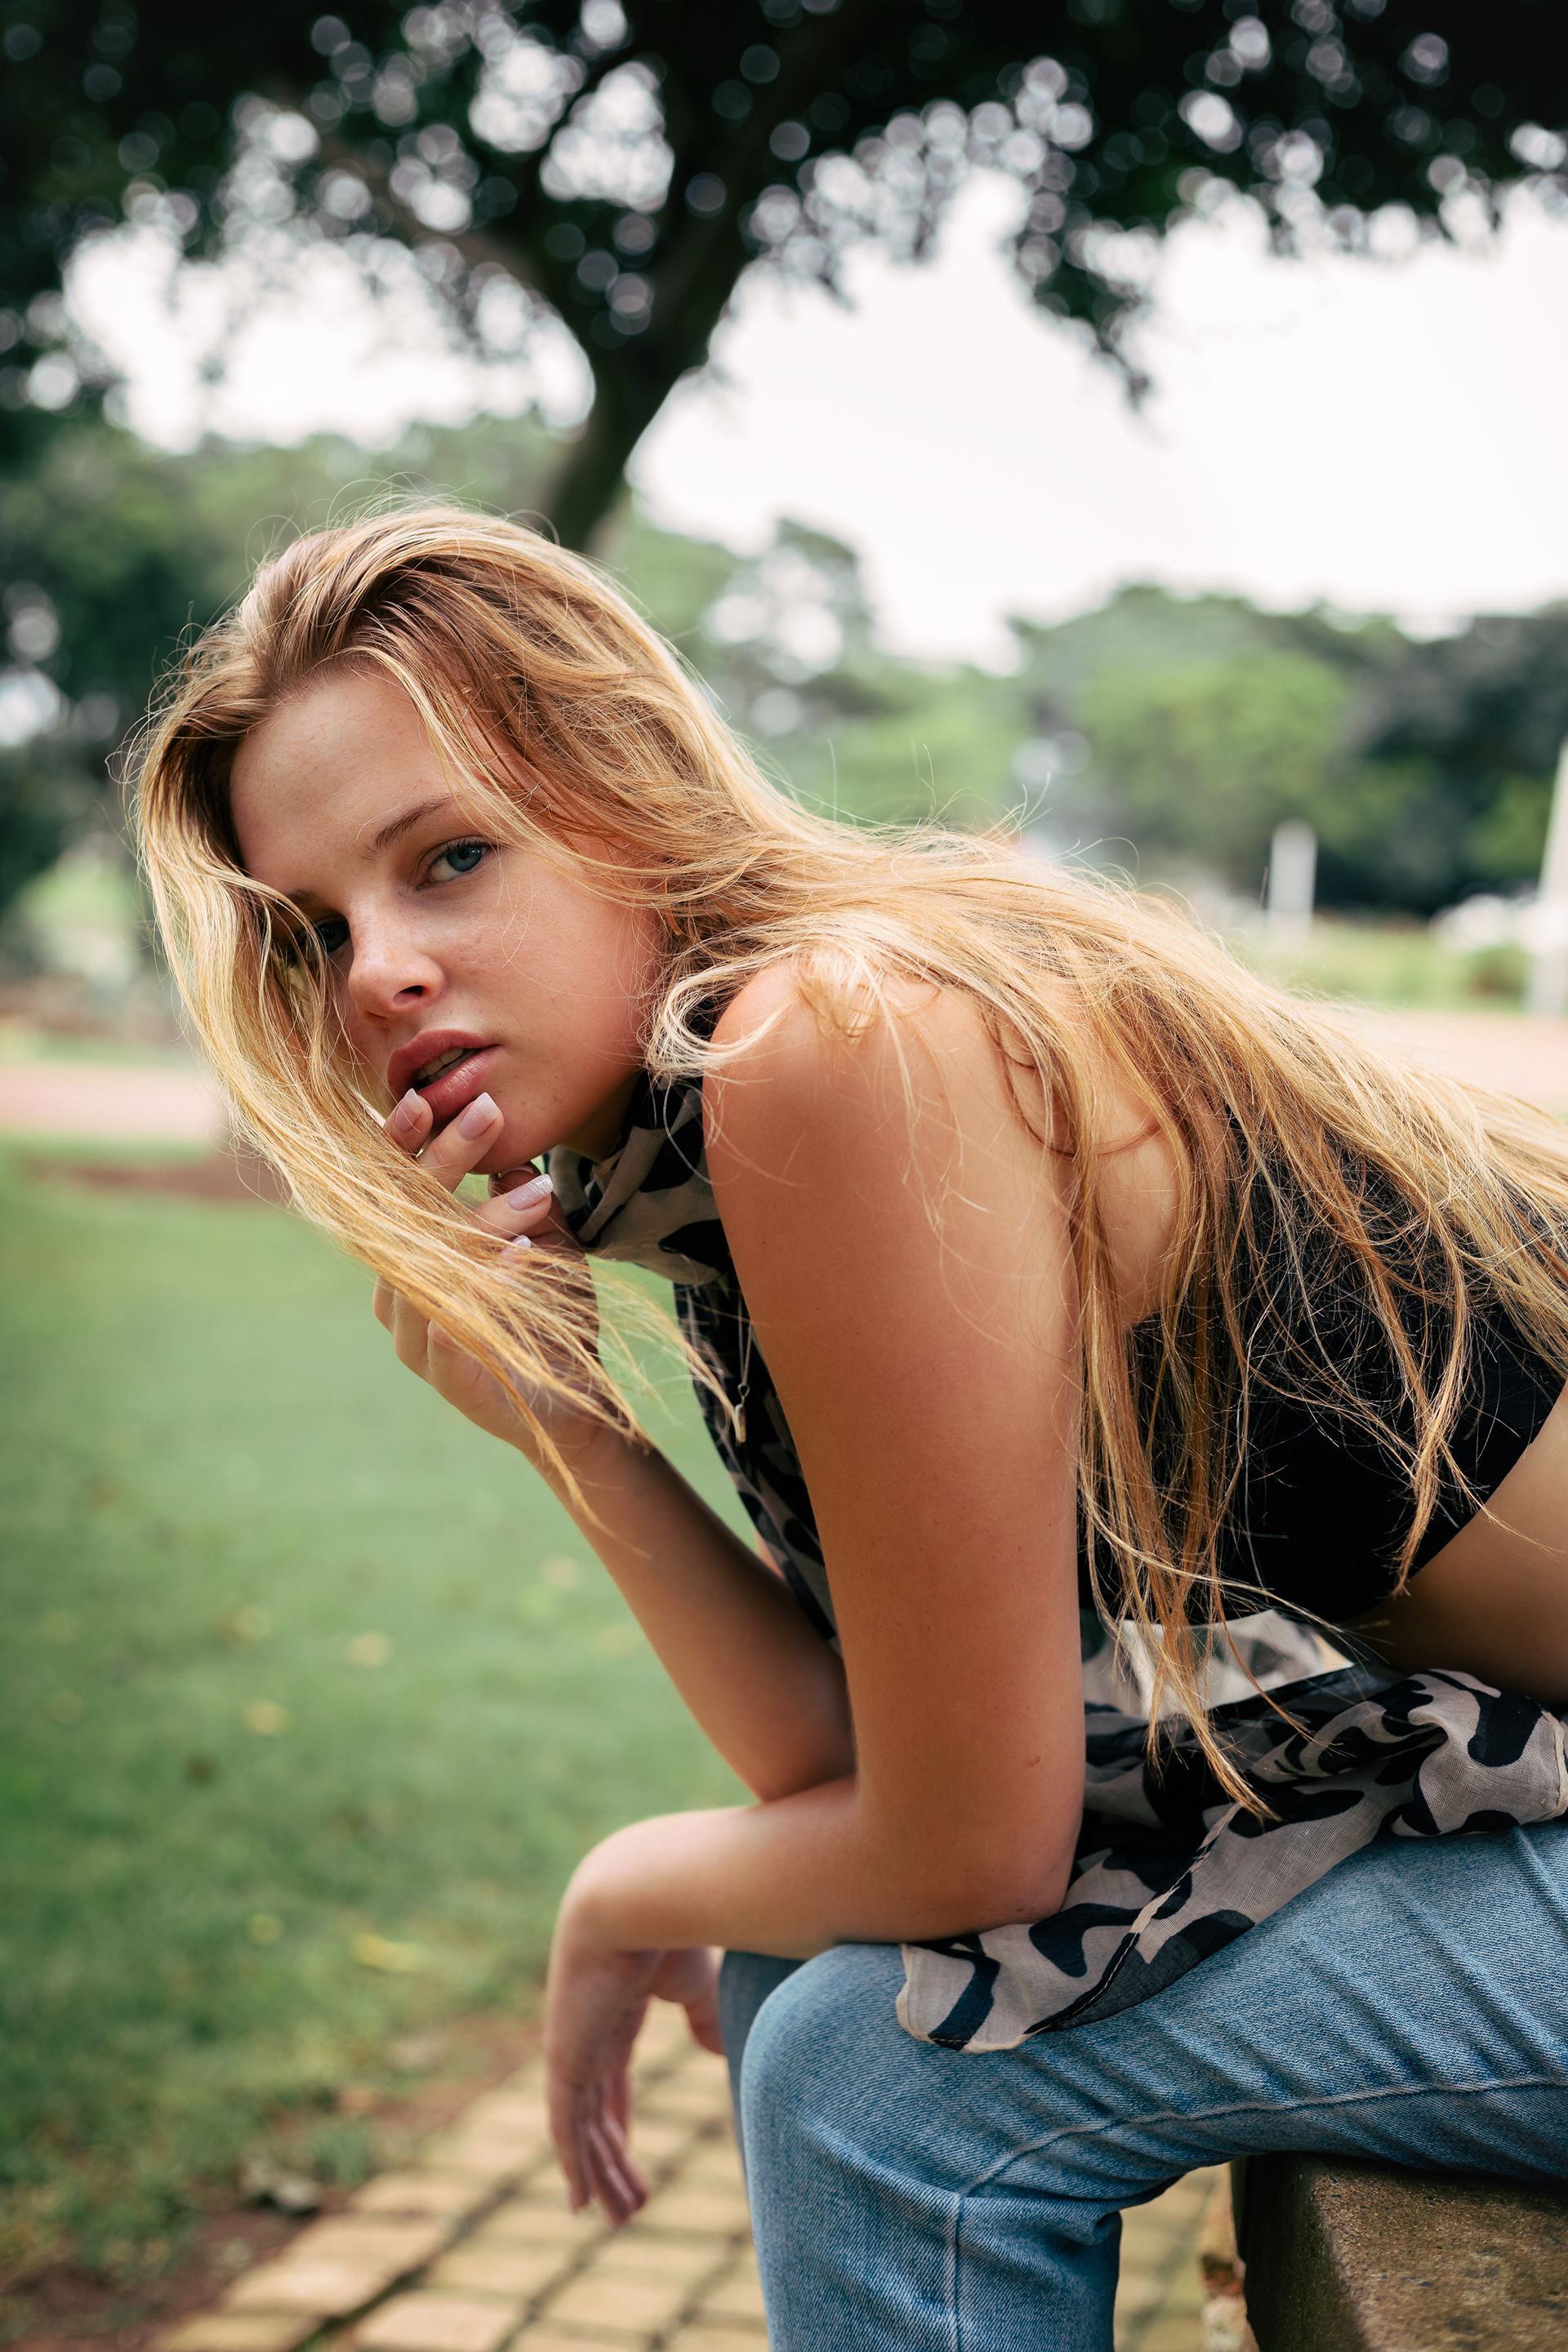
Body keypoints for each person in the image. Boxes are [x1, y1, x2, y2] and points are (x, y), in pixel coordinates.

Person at [136, 510, 1568, 2349]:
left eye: (452, 858)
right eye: (318, 931)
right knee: (811, 1970)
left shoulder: (834, 1039)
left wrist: (612, 1887)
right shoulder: (711, 1143)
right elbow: (865, 1767)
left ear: (627, 802)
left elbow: (971, 1844)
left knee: (872, 2089)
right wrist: (569, 1425)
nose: (377, 974)